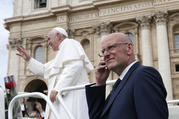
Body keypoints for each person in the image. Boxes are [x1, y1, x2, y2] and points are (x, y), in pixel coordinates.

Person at [85, 33, 168, 119]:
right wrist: (100, 83)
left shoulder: (143, 75)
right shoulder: (120, 83)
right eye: (103, 51)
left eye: (111, 47)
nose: (105, 54)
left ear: (129, 48)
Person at [17, 27, 94, 119]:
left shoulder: (69, 43)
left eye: (49, 38)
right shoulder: (60, 54)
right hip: (62, 101)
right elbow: (44, 70)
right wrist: (29, 60)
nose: (48, 42)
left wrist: (58, 88)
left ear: (58, 36)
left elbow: (75, 66)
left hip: (71, 98)